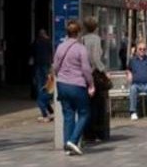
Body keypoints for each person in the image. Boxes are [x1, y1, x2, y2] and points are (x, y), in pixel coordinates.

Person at [53, 20, 94, 155]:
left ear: (67, 32)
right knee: (84, 113)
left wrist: (62, 76)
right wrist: (91, 84)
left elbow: (55, 67)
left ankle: (67, 145)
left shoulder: (60, 47)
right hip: (77, 85)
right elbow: (86, 69)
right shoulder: (81, 49)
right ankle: (73, 140)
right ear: (79, 33)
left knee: (68, 114)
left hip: (62, 85)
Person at [81, 17, 110, 142]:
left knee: (87, 104)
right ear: (96, 27)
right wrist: (103, 71)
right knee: (97, 105)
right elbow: (95, 58)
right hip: (94, 74)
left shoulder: (82, 39)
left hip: (83, 74)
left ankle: (87, 132)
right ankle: (97, 132)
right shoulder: (96, 39)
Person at [126, 42, 147, 120]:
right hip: (136, 84)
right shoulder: (132, 60)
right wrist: (129, 74)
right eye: (140, 49)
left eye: (144, 49)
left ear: (146, 50)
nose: (142, 51)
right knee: (133, 89)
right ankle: (133, 112)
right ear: (136, 50)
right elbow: (128, 69)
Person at [32, 29, 54, 121]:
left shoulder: (36, 42)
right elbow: (51, 53)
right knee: (47, 85)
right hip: (46, 64)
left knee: (40, 86)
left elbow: (33, 52)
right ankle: (50, 111)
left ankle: (45, 114)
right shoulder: (48, 42)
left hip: (39, 64)